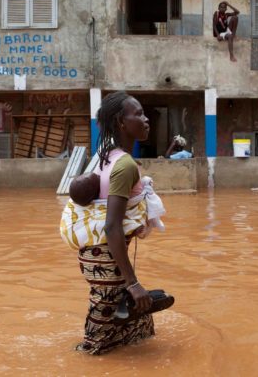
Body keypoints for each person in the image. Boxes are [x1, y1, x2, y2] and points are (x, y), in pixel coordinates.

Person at [59, 91, 173, 355]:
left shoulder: (105, 157)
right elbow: (111, 225)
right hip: (107, 262)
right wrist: (132, 283)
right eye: (139, 114)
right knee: (95, 345)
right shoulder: (124, 165)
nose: (146, 120)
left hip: (101, 257)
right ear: (122, 122)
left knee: (140, 322)